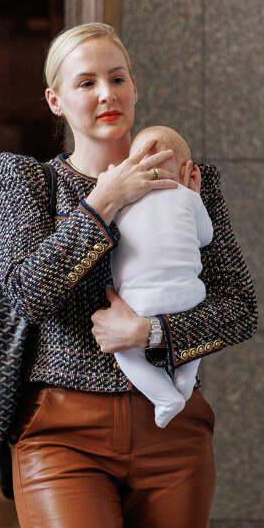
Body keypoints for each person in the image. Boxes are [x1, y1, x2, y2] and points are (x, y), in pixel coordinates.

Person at [0, 23, 256, 528]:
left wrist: (150, 333)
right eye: (86, 83)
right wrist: (106, 200)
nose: (106, 94)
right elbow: (27, 296)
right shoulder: (23, 178)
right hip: (62, 434)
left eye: (117, 78)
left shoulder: (189, 180)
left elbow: (239, 310)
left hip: (172, 430)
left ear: (135, 87)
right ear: (56, 101)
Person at [111, 125, 209, 428]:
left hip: (138, 299)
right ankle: (184, 378)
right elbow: (205, 237)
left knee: (127, 355)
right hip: (189, 294)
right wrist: (194, 198)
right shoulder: (188, 196)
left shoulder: (121, 201)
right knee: (194, 333)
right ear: (186, 170)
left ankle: (164, 396)